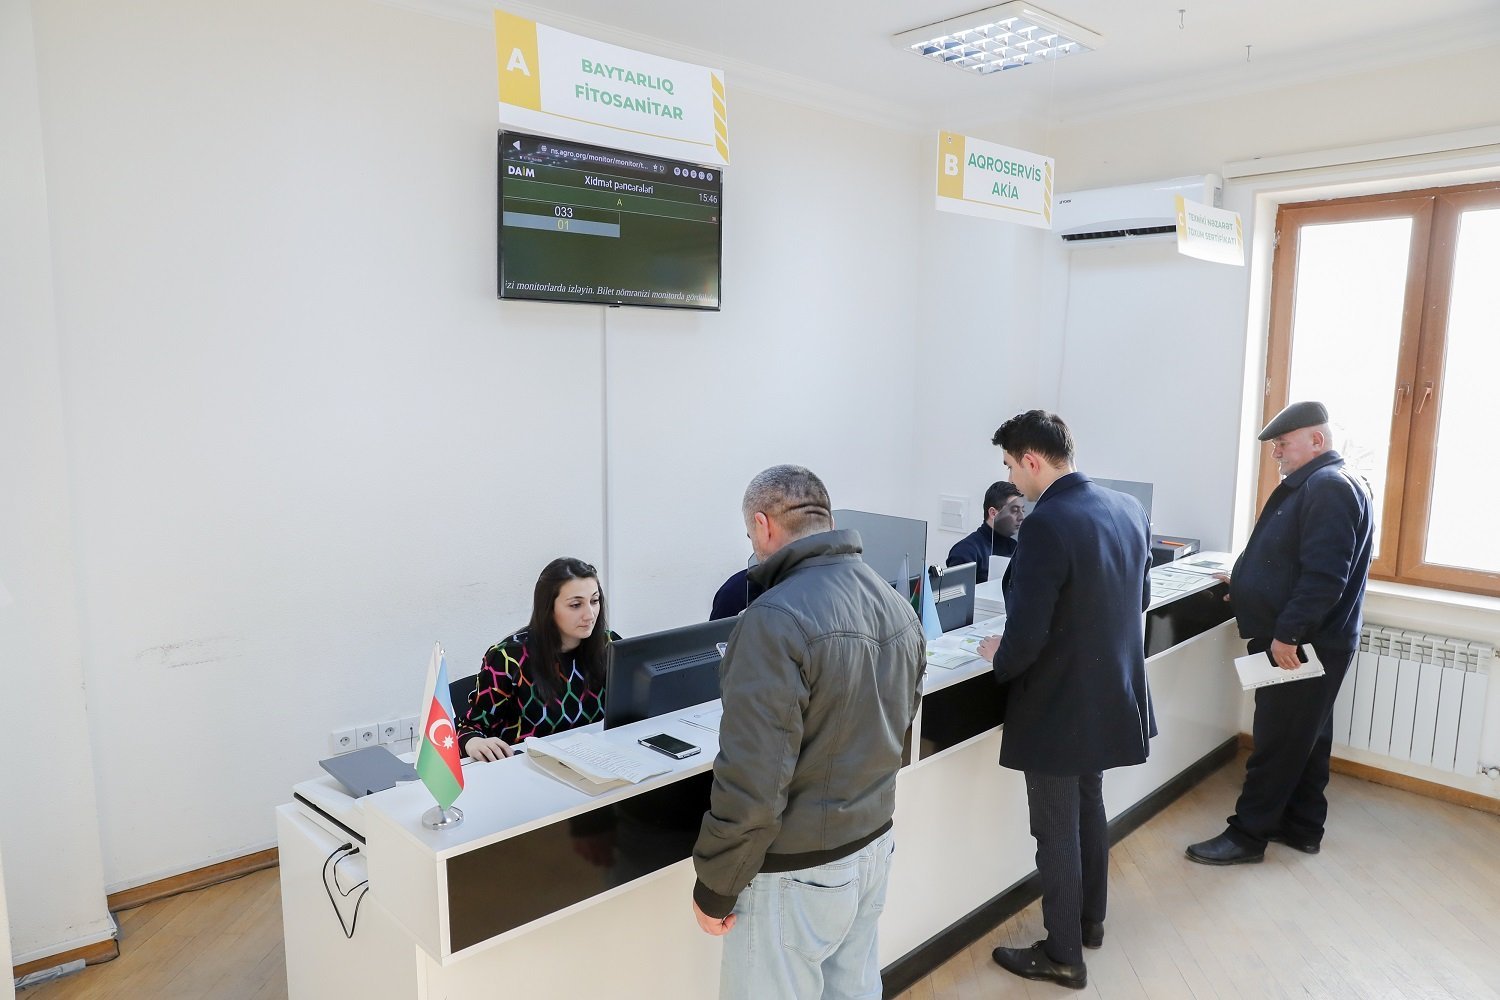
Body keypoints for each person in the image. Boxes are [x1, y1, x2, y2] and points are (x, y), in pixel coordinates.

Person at [690, 465, 926, 1000]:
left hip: (795, 871)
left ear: (762, 525)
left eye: (750, 534)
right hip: (872, 846)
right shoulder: (893, 601)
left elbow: (753, 779)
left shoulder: (772, 617)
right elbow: (901, 720)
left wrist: (716, 885)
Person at [975, 410, 1154, 991]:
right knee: (1088, 809)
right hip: (1110, 692)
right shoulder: (1127, 507)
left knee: (1055, 831)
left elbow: (1027, 635)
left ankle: (1062, 955)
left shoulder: (1046, 523)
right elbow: (1139, 598)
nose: (1011, 478)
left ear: (1031, 461)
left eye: (1010, 465)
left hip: (1058, 703)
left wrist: (998, 658)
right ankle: (1089, 922)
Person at [1186, 401, 1373, 865]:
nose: (1276, 454)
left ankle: (1247, 836)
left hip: (1300, 644)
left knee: (1275, 741)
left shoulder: (1328, 487)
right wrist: (1245, 582)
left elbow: (1324, 577)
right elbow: (1292, 562)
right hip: (1314, 640)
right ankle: (1303, 826)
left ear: (1316, 440)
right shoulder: (1328, 482)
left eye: (1283, 444)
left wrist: (1288, 635)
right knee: (1307, 738)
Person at [456, 557, 614, 762]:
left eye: (594, 601)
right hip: (528, 766)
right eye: (576, 605)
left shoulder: (609, 645)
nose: (590, 615)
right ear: (548, 608)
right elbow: (469, 728)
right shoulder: (508, 658)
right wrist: (473, 742)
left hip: (598, 758)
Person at [946, 480, 1025, 583]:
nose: (1021, 517)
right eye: (1014, 510)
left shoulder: (1015, 548)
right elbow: (958, 592)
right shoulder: (965, 551)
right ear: (993, 513)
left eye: (1022, 510)